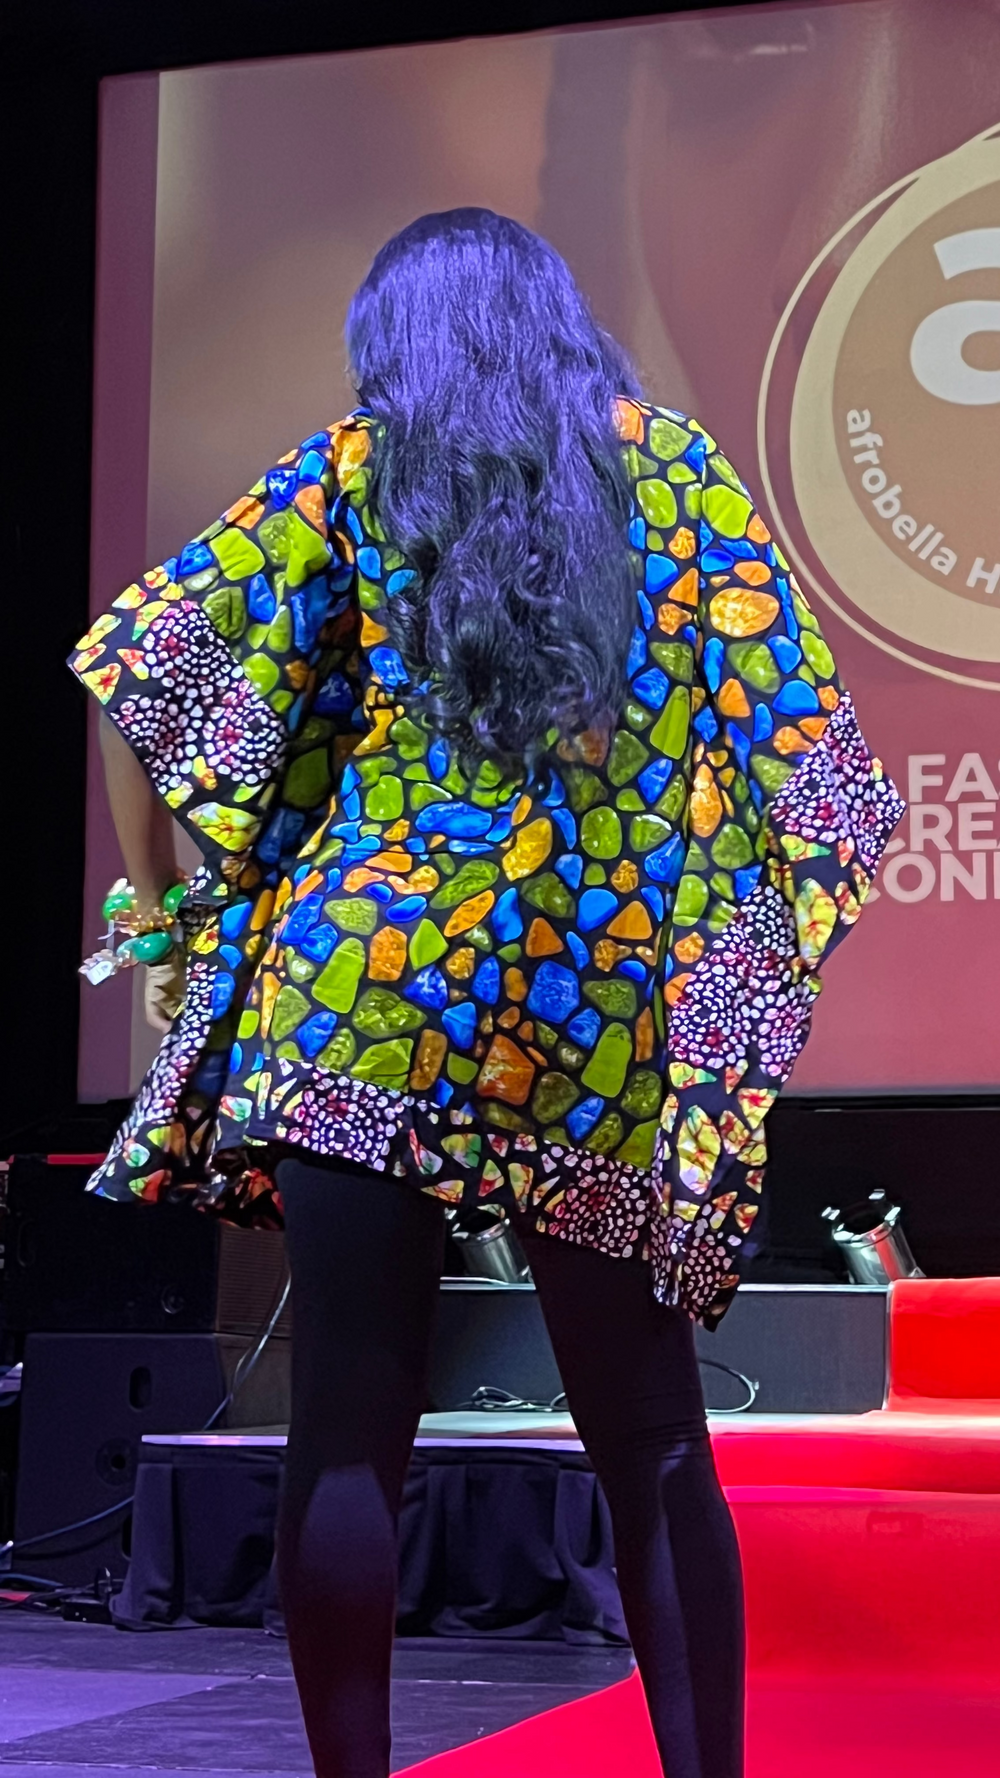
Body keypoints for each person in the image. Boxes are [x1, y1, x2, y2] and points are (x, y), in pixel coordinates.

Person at [71, 209, 902, 1778]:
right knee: (654, 1434)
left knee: (348, 1436)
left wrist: (168, 923)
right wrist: (720, 954)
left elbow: (136, 667)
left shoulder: (353, 470)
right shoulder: (671, 468)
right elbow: (817, 765)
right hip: (584, 1021)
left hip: (361, 992)